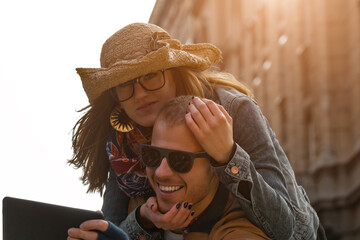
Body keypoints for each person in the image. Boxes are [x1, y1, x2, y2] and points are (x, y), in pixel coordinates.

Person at [68, 22, 325, 239]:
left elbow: (286, 225)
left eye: (151, 75)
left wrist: (226, 155)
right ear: (115, 95)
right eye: (125, 85)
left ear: (174, 73)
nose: (141, 94)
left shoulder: (234, 108)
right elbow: (113, 226)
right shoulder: (120, 145)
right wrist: (144, 219)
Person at [68, 95, 270, 239]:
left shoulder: (240, 232)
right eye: (153, 156)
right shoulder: (137, 206)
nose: (161, 173)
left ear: (215, 165)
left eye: (180, 160)